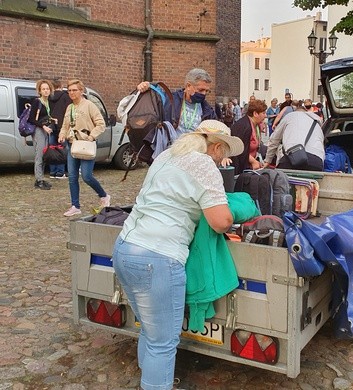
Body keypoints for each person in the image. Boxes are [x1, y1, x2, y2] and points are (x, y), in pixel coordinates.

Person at [112, 120, 244, 390]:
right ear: (216, 147)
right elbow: (220, 221)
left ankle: (151, 380)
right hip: (159, 257)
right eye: (223, 154)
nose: (223, 161)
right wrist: (234, 213)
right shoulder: (204, 164)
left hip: (126, 247)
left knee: (149, 331)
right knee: (163, 343)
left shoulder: (166, 155)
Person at [58, 79, 111, 217]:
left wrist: (91, 136)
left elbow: (101, 124)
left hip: (86, 144)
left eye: (74, 90)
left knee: (87, 176)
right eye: (69, 90)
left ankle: (104, 195)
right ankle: (75, 205)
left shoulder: (89, 105)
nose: (71, 93)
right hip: (72, 145)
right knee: (72, 177)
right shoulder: (69, 107)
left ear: (81, 91)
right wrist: (62, 134)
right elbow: (65, 125)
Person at [137, 68, 217, 133]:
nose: (204, 94)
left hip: (195, 151)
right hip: (171, 150)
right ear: (188, 86)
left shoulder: (208, 110)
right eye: (201, 90)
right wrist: (146, 86)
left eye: (207, 91)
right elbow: (156, 94)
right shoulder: (170, 99)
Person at [263, 104, 325, 171]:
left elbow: (274, 140)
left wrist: (268, 161)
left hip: (291, 159)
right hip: (316, 161)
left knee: (282, 179)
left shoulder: (290, 116)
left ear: (295, 111)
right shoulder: (317, 123)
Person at [29, 79, 56, 190]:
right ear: (39, 91)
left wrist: (52, 120)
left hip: (46, 130)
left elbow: (45, 117)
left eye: (47, 89)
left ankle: (40, 178)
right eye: (43, 89)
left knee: (44, 154)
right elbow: (31, 119)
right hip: (39, 131)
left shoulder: (48, 102)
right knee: (39, 155)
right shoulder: (37, 102)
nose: (46, 91)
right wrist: (43, 126)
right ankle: (38, 181)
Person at [229, 99, 267, 174]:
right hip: (240, 168)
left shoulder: (255, 124)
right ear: (255, 113)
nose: (265, 116)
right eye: (263, 113)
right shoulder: (244, 126)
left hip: (248, 165)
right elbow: (240, 149)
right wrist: (253, 161)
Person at [48, 79, 72, 179]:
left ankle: (52, 172)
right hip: (62, 126)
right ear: (60, 86)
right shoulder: (66, 96)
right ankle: (60, 172)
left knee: (52, 149)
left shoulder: (48, 97)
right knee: (61, 149)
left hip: (51, 126)